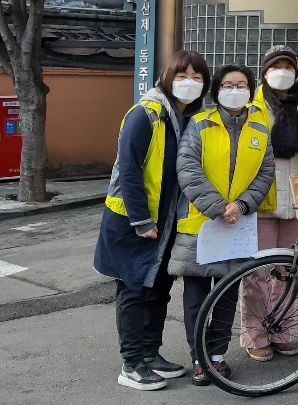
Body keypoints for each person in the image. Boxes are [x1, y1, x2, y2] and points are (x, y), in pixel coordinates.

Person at [95, 50, 210, 391]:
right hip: (135, 220)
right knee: (133, 289)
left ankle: (150, 353)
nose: (189, 83)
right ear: (167, 76)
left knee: (159, 288)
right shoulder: (145, 114)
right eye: (183, 75)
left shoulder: (191, 118)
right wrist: (142, 220)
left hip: (169, 220)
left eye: (197, 78)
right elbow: (128, 169)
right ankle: (131, 364)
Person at [169, 64, 276, 386]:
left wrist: (241, 205)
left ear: (250, 89)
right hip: (201, 224)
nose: (235, 90)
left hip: (238, 225)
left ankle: (217, 356)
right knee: (197, 297)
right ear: (216, 90)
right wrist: (217, 207)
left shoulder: (259, 128)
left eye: (241, 84)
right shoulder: (199, 124)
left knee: (228, 294)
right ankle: (199, 358)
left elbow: (265, 174)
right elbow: (187, 168)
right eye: (228, 84)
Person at [239, 46, 298, 362]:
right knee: (257, 273)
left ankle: (281, 332)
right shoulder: (250, 109)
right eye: (275, 66)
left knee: (289, 271)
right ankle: (255, 335)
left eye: (288, 66)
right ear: (264, 72)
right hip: (261, 202)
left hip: (295, 201)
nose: (282, 71)